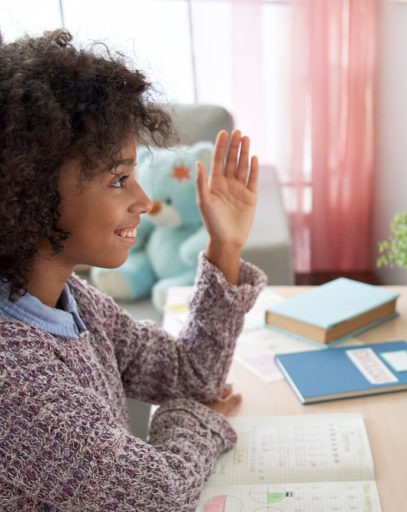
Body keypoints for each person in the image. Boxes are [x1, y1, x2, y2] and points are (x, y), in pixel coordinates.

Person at [0, 29, 266, 510]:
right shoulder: (14, 381)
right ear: (31, 193)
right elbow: (158, 495)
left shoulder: (72, 299)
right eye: (119, 180)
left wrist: (224, 244)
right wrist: (192, 420)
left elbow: (189, 374)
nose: (144, 201)